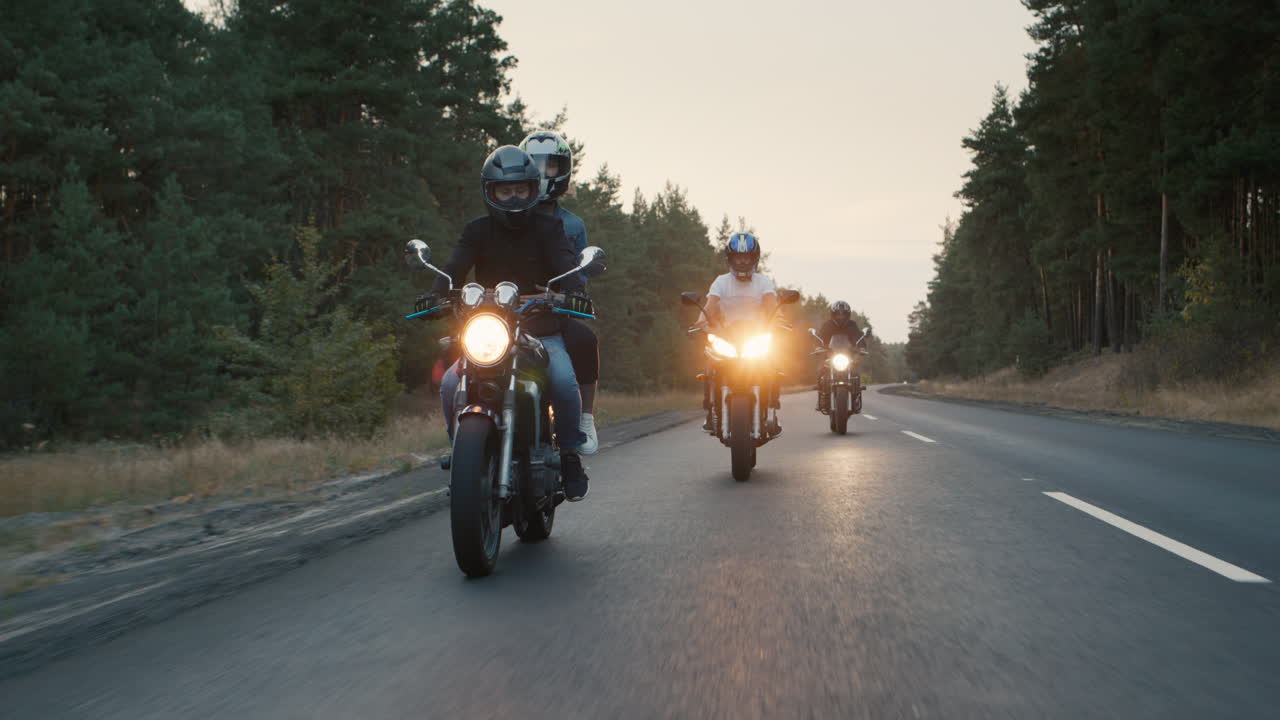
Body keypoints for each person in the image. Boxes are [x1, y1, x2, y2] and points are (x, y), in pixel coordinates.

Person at [421, 145, 591, 501]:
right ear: (490, 192)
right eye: (504, 190)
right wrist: (437, 293)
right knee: (452, 382)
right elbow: (453, 268)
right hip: (488, 328)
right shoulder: (477, 231)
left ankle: (570, 454)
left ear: (532, 190)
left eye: (520, 190)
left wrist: (573, 291)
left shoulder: (550, 227)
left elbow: (566, 263)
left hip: (539, 327)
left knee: (562, 379)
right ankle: (463, 452)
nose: (513, 198)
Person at [520, 130, 600, 456]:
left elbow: (579, 276)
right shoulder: (504, 218)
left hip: (552, 314)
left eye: (549, 167)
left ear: (563, 170)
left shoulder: (572, 225)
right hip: (502, 314)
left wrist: (562, 296)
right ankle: (465, 443)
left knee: (582, 344)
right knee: (457, 368)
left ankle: (584, 420)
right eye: (533, 165)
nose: (541, 174)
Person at [699, 232, 781, 435]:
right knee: (709, 365)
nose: (743, 262)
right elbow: (710, 305)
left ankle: (771, 410)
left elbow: (773, 306)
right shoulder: (721, 282)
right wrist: (700, 322)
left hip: (756, 335)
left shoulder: (763, 282)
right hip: (727, 336)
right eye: (738, 258)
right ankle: (711, 412)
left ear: (754, 259)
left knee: (772, 365)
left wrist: (780, 321)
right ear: (730, 259)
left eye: (747, 258)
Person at [814, 301, 867, 412]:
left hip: (848, 357)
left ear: (847, 315)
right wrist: (818, 347)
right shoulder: (828, 325)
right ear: (833, 314)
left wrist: (861, 347)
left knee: (855, 375)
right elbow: (821, 337)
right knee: (822, 373)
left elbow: (858, 337)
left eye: (843, 314)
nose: (840, 317)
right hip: (831, 356)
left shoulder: (852, 325)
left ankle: (855, 399)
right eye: (838, 314)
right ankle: (823, 397)